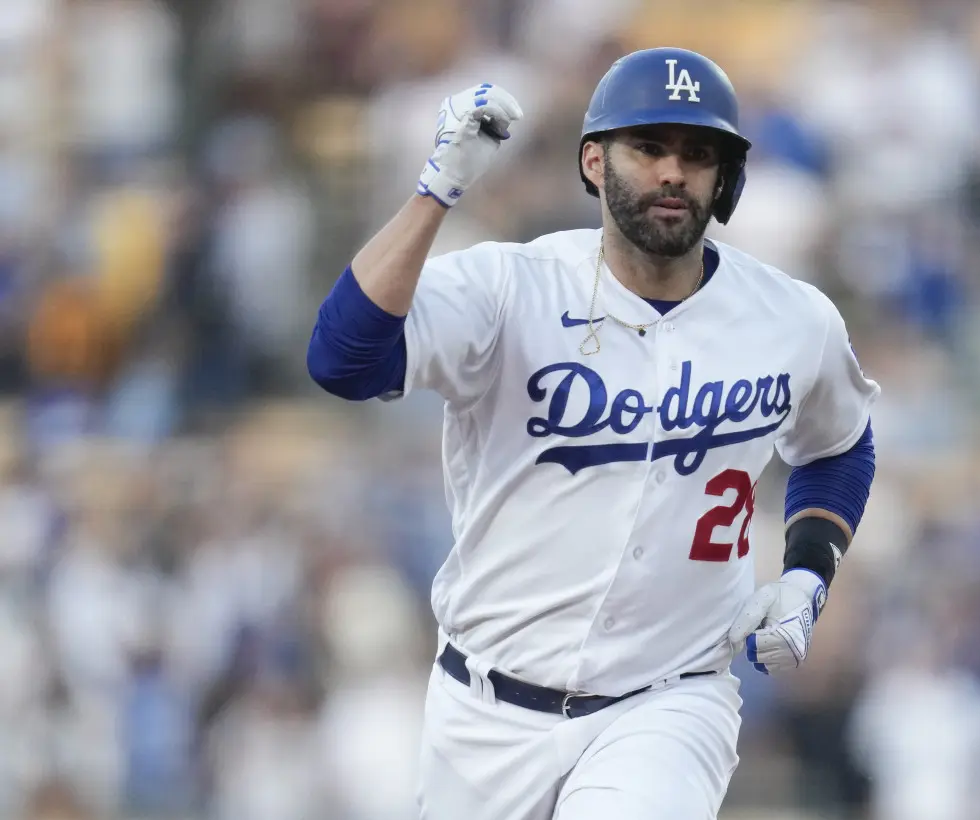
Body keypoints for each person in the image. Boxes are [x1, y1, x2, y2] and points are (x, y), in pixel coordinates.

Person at [306, 46, 880, 820]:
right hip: (484, 711)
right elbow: (342, 359)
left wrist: (810, 573)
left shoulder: (791, 318)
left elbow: (840, 443)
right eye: (648, 147)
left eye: (697, 152)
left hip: (668, 702)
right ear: (593, 160)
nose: (674, 171)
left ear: (726, 177)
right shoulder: (509, 287)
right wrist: (434, 193)